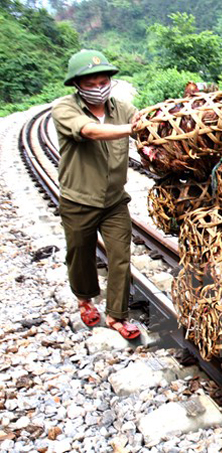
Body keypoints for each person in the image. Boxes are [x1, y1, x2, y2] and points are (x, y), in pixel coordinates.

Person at [52, 49, 141, 339]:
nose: (98, 88)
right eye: (90, 84)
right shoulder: (65, 109)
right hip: (79, 200)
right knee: (80, 255)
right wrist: (132, 129)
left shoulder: (123, 109)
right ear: (77, 85)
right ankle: (84, 297)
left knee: (120, 256)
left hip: (115, 200)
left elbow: (144, 125)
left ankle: (117, 315)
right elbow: (89, 131)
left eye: (103, 81)